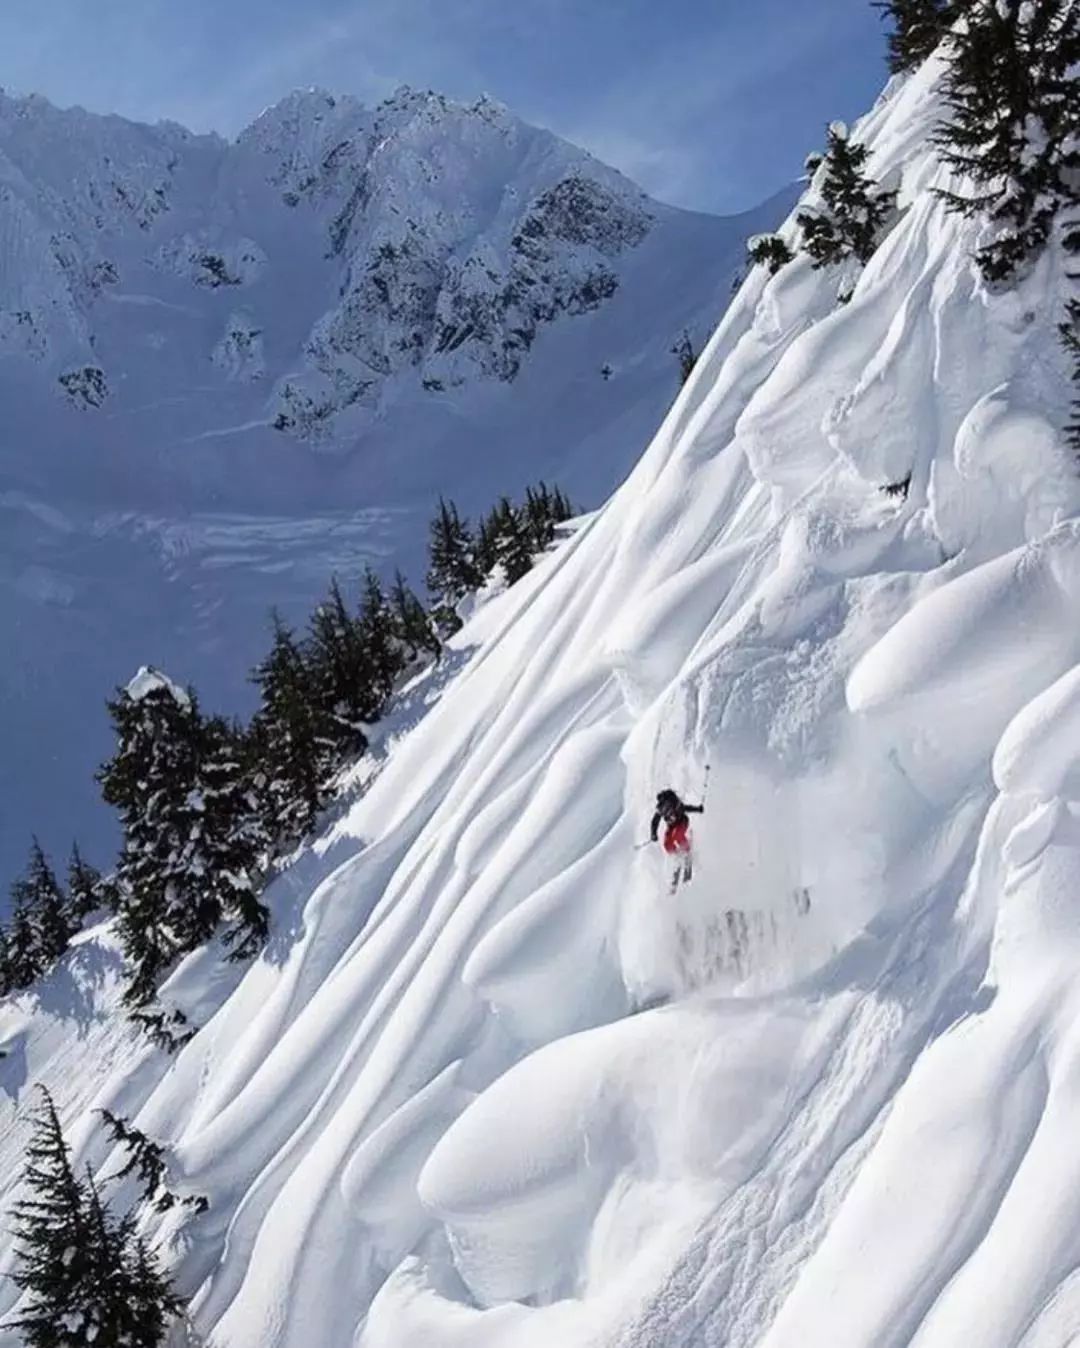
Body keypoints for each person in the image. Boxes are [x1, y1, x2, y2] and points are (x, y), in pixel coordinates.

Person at [650, 789, 704, 856]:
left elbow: (686, 808)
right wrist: (653, 833)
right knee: (667, 844)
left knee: (677, 835)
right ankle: (678, 857)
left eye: (667, 807)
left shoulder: (675, 804)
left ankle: (687, 852)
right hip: (671, 826)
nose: (666, 810)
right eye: (664, 808)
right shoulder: (660, 809)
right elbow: (655, 821)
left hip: (682, 822)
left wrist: (698, 809)